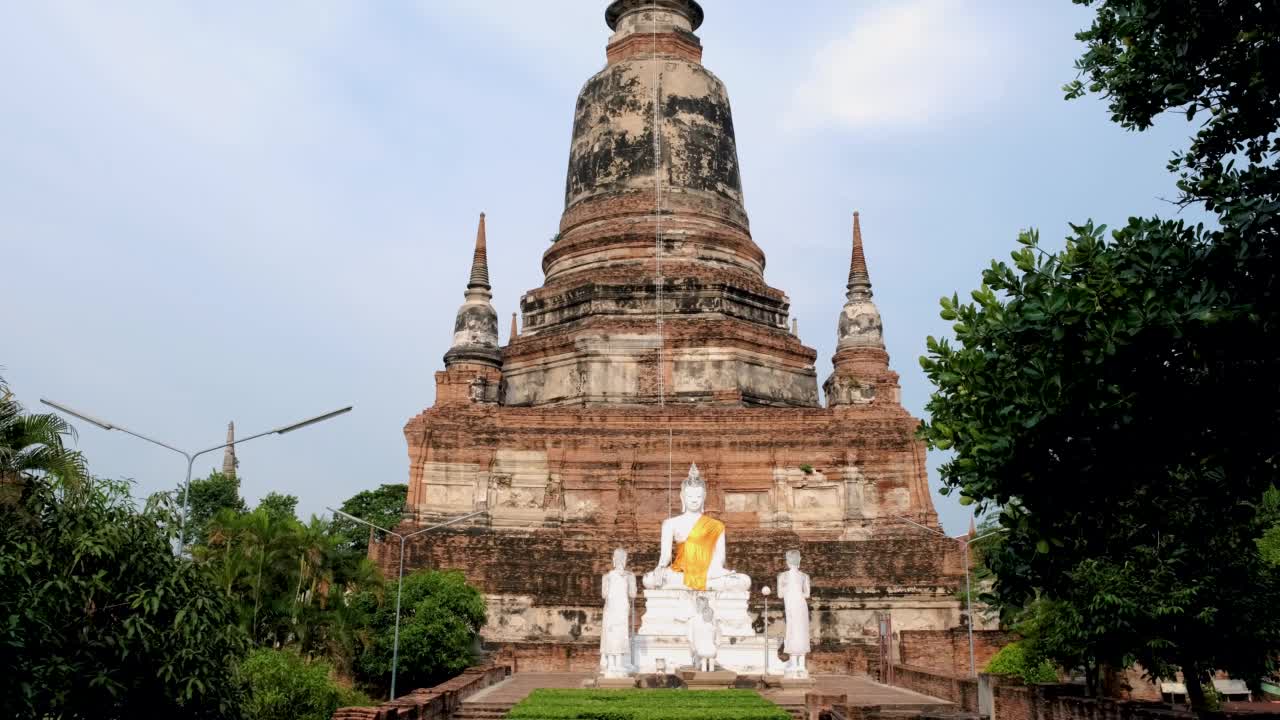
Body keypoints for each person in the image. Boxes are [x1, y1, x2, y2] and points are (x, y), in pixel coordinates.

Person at [644, 464, 750, 592]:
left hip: (708, 572)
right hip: (680, 572)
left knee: (743, 581)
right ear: (682, 497)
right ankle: (700, 585)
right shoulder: (670, 524)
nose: (694, 500)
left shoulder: (717, 526)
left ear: (704, 497)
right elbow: (665, 556)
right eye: (690, 496)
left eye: (698, 496)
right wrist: (660, 567)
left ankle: (689, 585)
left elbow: (719, 558)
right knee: (649, 579)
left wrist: (712, 571)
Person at [600, 548, 637, 676]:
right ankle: (614, 664)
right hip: (616, 608)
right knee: (617, 634)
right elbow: (633, 594)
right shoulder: (622, 576)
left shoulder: (609, 577)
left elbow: (604, 594)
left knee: (617, 634)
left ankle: (616, 664)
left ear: (614, 560)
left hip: (616, 608)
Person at [778, 549, 811, 676]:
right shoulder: (804, 576)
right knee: (801, 631)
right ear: (799, 560)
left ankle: (794, 663)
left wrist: (789, 591)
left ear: (787, 561)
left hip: (791, 604)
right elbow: (807, 594)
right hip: (801, 603)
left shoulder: (783, 576)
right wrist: (797, 593)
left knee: (792, 631)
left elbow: (780, 594)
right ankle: (801, 665)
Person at [687, 596, 721, 672]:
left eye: (706, 605)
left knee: (709, 663)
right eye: (701, 605)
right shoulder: (693, 619)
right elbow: (690, 634)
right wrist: (693, 646)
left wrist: (717, 643)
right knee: (699, 666)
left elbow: (717, 631)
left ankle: (709, 666)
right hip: (697, 647)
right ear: (698, 605)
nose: (704, 607)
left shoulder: (712, 619)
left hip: (709, 646)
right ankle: (698, 664)